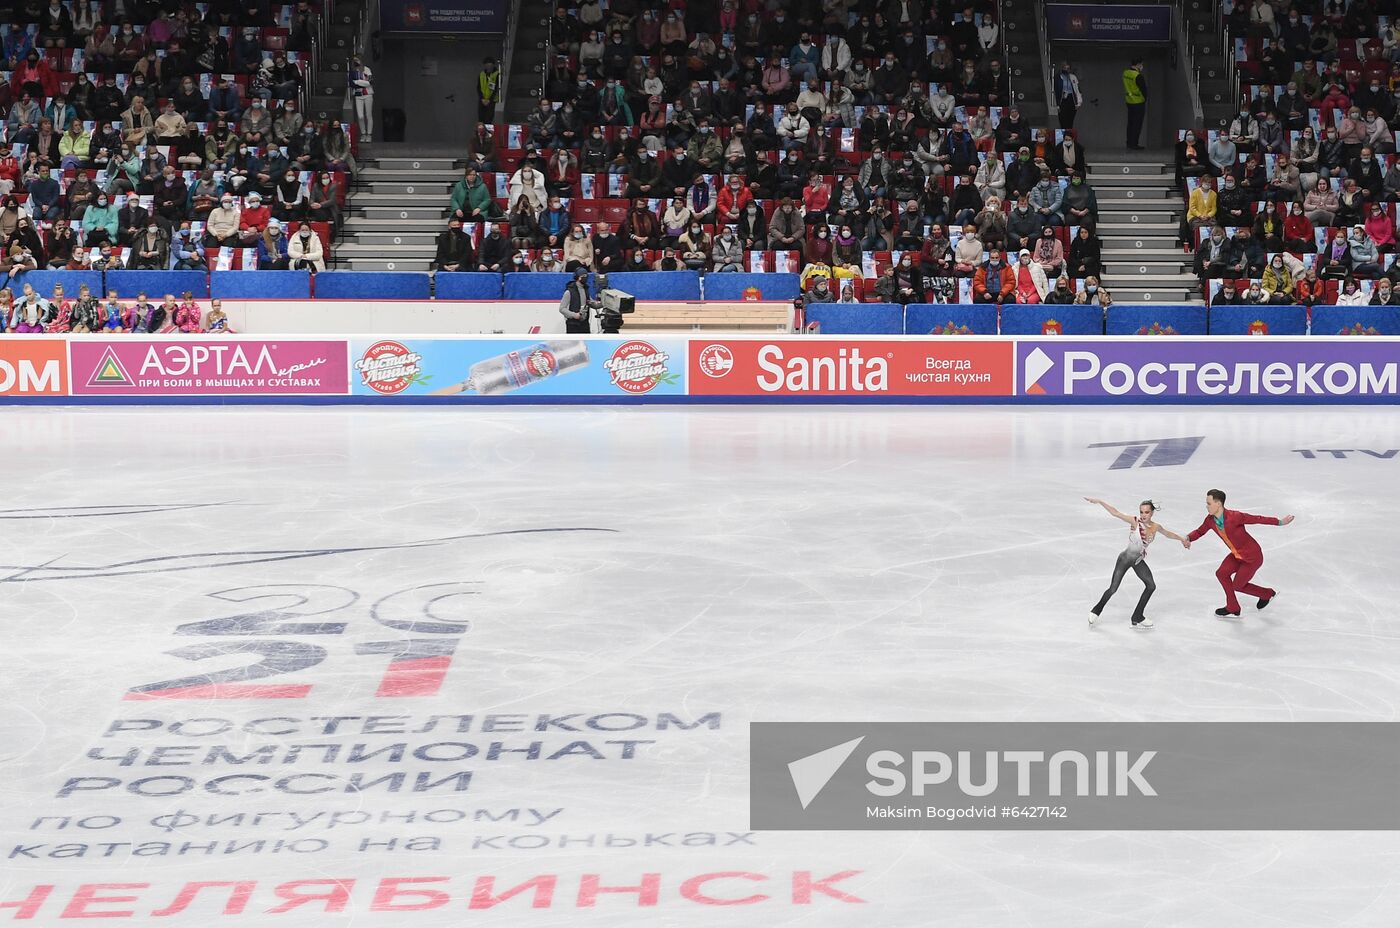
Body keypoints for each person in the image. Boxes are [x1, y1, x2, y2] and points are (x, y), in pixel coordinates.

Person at [1184, 489, 1294, 617]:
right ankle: (1233, 607)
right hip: (1237, 555)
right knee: (1221, 573)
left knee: (1238, 586)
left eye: (1209, 503)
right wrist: (1188, 538)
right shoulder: (1210, 520)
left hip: (1252, 557)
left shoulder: (1235, 516)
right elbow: (1200, 531)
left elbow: (1257, 519)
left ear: (1218, 504)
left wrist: (1279, 522)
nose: (1206, 506)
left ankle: (1267, 594)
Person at [1085, 498, 1189, 628]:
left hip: (1138, 561)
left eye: (1146, 512)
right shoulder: (1135, 521)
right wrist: (1100, 501)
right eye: (1141, 512)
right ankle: (1096, 610)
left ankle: (1137, 616)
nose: (1143, 515)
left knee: (1151, 586)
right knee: (1113, 588)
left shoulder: (1156, 527)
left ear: (1152, 513)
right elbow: (1116, 513)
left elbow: (1168, 534)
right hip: (1124, 559)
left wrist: (1181, 539)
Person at [559, 267, 593, 334]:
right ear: (578, 277)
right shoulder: (569, 292)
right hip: (573, 325)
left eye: (586, 276)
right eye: (583, 276)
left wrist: (600, 303)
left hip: (585, 324)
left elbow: (591, 301)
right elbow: (562, 309)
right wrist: (574, 315)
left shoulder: (586, 289)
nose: (585, 277)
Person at [1123, 56, 1147, 150]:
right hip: (1138, 102)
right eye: (1141, 64)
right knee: (1137, 124)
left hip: (1129, 101)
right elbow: (1144, 90)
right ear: (1138, 64)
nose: (1142, 66)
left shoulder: (1125, 73)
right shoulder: (1138, 76)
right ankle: (1134, 144)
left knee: (1130, 123)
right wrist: (1144, 99)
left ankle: (1129, 143)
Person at [348, 55, 373, 142]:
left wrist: (357, 81)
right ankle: (363, 133)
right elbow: (351, 83)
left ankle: (369, 134)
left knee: (368, 115)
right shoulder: (352, 71)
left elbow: (369, 82)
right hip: (358, 95)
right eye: (354, 60)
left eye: (357, 60)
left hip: (368, 94)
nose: (356, 62)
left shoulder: (366, 69)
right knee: (360, 116)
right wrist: (362, 83)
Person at [1054, 61, 1082, 130]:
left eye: (1068, 68)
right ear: (1062, 68)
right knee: (1062, 120)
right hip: (1062, 100)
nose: (1066, 70)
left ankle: (1069, 135)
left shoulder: (1073, 77)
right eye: (1065, 68)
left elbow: (1077, 90)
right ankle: (1063, 134)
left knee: (1070, 121)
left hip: (1071, 99)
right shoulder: (1058, 77)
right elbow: (1055, 91)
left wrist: (1079, 102)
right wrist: (1057, 105)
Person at [478, 58, 500, 123]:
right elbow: (478, 87)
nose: (489, 67)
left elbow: (497, 88)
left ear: (493, 65)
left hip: (492, 100)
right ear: (485, 65)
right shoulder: (482, 74)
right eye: (487, 65)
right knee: (481, 119)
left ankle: (489, 129)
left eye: (490, 66)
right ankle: (481, 129)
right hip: (483, 100)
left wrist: (489, 99)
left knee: (489, 119)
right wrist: (482, 98)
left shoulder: (497, 74)